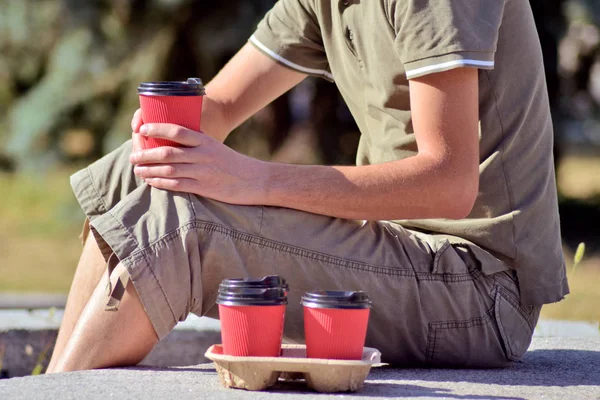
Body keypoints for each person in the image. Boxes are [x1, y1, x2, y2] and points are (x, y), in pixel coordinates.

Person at [46, 0, 568, 373]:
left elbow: (449, 184)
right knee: (133, 174)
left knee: (179, 229)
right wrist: (169, 133)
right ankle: (53, 389)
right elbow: (223, 106)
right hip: (405, 255)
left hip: (479, 289)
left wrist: (255, 178)